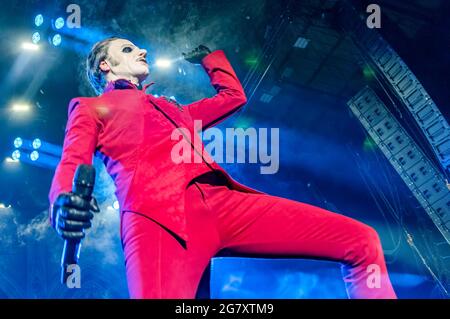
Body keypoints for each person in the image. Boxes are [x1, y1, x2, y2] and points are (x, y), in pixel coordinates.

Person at [48, 37, 397, 299]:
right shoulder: (91, 107)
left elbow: (233, 98)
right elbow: (72, 160)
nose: (141, 52)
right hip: (160, 222)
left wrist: (212, 60)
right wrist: (63, 202)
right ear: (105, 66)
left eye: (139, 48)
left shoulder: (176, 111)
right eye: (127, 50)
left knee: (362, 240)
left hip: (227, 203)